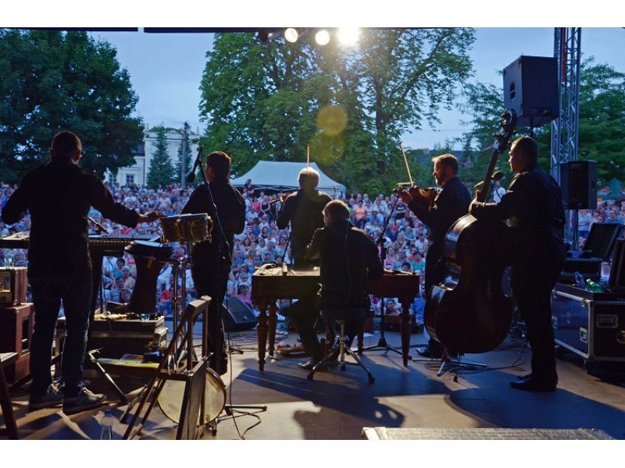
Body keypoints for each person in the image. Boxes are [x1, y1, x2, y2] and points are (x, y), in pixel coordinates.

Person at [1, 130, 161, 414]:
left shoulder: (35, 177)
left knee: (43, 328)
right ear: (77, 154)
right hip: (74, 263)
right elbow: (111, 210)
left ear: (52, 152)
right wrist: (140, 218)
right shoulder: (85, 179)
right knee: (78, 327)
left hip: (42, 262)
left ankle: (40, 391)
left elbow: (9, 215)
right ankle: (73, 391)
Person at [470, 136, 565, 392]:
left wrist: (476, 206)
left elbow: (502, 211)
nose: (510, 159)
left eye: (512, 154)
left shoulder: (526, 179)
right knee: (540, 317)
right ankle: (544, 373)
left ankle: (544, 377)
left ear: (522, 155)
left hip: (533, 258)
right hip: (550, 255)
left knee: (536, 318)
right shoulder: (548, 180)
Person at [295, 200, 384, 370]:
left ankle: (318, 356)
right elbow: (377, 272)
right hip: (357, 300)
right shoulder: (363, 237)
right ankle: (338, 349)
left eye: (324, 217)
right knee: (360, 309)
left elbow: (309, 255)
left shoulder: (322, 233)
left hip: (330, 300)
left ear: (328, 215)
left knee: (297, 312)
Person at [399, 153, 471, 358]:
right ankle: (450, 343)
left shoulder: (448, 193)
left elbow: (435, 222)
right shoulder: (462, 190)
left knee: (437, 298)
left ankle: (437, 344)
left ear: (447, 169)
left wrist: (412, 203)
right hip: (453, 253)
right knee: (450, 299)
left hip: (441, 253)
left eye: (437, 169)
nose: (434, 173)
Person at [181, 151, 245, 375]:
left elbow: (183, 218)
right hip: (224, 256)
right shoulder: (236, 195)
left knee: (207, 306)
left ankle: (215, 357)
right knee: (215, 305)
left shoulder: (203, 192)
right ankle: (217, 356)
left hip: (204, 255)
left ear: (210, 170)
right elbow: (239, 228)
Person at [276, 167, 332, 266]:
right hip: (320, 247)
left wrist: (283, 205)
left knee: (301, 278)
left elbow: (281, 224)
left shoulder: (292, 199)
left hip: (299, 248)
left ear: (300, 182)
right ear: (316, 182)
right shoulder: (325, 198)